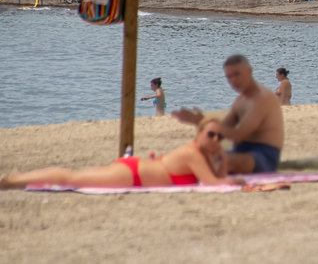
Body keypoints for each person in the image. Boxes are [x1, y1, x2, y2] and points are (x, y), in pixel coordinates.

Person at [1, 118, 236, 189]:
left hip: (134, 170)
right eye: (211, 135)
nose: (215, 140)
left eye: (219, 137)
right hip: (132, 175)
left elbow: (215, 175)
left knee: (76, 176)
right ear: (199, 134)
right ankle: (13, 181)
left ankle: (21, 177)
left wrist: (223, 158)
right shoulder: (193, 152)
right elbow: (213, 181)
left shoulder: (202, 154)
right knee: (72, 178)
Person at [172, 55, 284, 174]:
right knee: (195, 156)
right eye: (229, 77)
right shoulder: (240, 101)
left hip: (263, 155)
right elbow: (221, 131)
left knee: (225, 161)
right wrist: (200, 126)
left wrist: (203, 122)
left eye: (237, 74)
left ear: (249, 71)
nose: (233, 80)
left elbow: (239, 135)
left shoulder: (262, 98)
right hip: (239, 151)